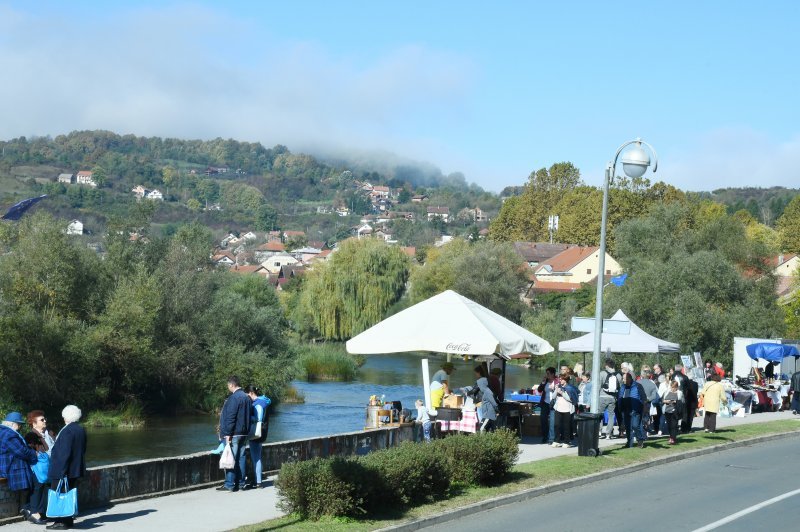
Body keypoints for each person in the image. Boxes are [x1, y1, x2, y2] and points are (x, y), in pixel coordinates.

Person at [47, 405, 87, 530]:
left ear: (66, 416)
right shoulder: (80, 429)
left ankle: (61, 522)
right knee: (69, 495)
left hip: (64, 470)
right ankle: (68, 520)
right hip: (75, 469)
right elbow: (82, 450)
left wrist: (60, 472)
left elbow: (64, 454)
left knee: (59, 495)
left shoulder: (67, 431)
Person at [0, 412, 38, 521]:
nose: (20, 427)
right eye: (19, 424)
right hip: (10, 467)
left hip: (5, 465)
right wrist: (33, 454)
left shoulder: (3, 432)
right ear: (12, 424)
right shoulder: (9, 435)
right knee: (31, 484)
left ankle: (26, 509)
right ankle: (26, 509)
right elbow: (20, 451)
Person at [217, 376, 251, 493]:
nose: (228, 388)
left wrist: (228, 434)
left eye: (228, 386)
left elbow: (231, 417)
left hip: (234, 433)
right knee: (241, 458)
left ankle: (230, 483)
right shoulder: (247, 398)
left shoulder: (234, 398)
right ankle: (241, 483)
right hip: (244, 433)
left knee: (230, 457)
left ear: (232, 385)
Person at [245, 385, 271, 489]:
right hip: (263, 432)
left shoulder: (257, 404)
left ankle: (258, 482)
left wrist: (249, 417)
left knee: (256, 458)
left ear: (251, 393)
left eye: (247, 395)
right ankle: (257, 480)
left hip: (256, 433)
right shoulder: (264, 401)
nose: (247, 397)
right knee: (258, 456)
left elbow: (258, 418)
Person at [23, 432, 50, 524]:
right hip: (43, 475)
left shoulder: (30, 449)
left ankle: (34, 513)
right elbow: (47, 450)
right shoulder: (41, 448)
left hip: (36, 474)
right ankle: (40, 513)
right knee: (41, 493)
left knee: (36, 493)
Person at [460, 366, 498, 432]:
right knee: (484, 422)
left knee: (482, 421)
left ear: (479, 372)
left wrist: (466, 393)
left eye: (476, 373)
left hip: (480, 403)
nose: (475, 375)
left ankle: (481, 436)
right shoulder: (486, 380)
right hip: (483, 403)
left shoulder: (480, 381)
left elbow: (474, 390)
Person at [618, 373, 647, 448]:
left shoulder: (637, 386)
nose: (624, 380)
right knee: (628, 427)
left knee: (635, 426)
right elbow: (620, 397)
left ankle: (640, 440)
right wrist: (620, 407)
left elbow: (643, 397)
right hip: (626, 409)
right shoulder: (623, 387)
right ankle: (629, 443)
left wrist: (644, 407)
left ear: (630, 378)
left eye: (625, 378)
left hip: (635, 409)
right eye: (623, 378)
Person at [552, 374, 579, 448]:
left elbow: (570, 399)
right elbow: (553, 397)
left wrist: (562, 393)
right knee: (556, 425)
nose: (560, 380)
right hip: (558, 408)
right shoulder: (559, 387)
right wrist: (556, 390)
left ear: (565, 380)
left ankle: (566, 441)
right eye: (559, 379)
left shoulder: (570, 388)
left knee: (566, 426)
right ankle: (556, 440)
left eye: (561, 379)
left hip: (567, 409)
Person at [597, 359, 621, 439]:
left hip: (602, 397)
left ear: (606, 365)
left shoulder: (602, 373)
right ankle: (608, 433)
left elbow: (599, 385)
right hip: (612, 398)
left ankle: (599, 431)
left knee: (599, 414)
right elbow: (620, 387)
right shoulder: (618, 375)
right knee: (611, 415)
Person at [537, 367, 557, 444]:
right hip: (545, 403)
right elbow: (539, 390)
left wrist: (555, 388)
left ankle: (551, 438)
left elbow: (561, 390)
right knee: (543, 419)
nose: (547, 375)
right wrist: (542, 382)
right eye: (546, 373)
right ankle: (545, 436)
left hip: (554, 403)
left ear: (553, 374)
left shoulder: (557, 381)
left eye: (548, 373)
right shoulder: (545, 381)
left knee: (552, 421)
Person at [662, 380, 684, 445]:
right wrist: (666, 401)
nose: (673, 389)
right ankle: (671, 436)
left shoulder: (679, 393)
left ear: (677, 387)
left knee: (674, 425)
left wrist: (675, 401)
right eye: (672, 387)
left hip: (675, 411)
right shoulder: (667, 391)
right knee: (669, 425)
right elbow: (663, 400)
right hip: (667, 411)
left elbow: (682, 402)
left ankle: (673, 438)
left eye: (674, 387)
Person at [639, 369, 659, 435]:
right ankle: (645, 433)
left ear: (642, 375)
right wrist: (648, 399)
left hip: (638, 402)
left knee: (639, 418)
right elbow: (654, 396)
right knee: (645, 417)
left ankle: (641, 434)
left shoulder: (637, 383)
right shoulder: (652, 384)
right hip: (647, 403)